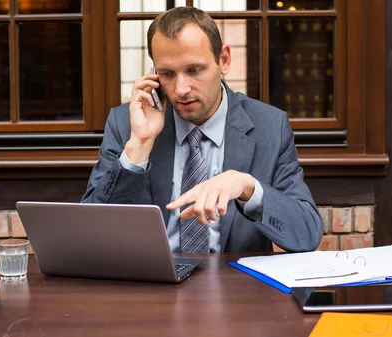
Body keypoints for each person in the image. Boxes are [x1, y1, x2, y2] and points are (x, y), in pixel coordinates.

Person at [82, 7, 323, 253]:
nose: (181, 89)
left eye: (194, 70)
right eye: (168, 74)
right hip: (151, 285)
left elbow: (306, 234)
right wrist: (139, 146)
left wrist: (248, 188)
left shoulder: (269, 126)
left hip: (236, 286)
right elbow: (91, 236)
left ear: (224, 60)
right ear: (154, 74)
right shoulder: (127, 124)